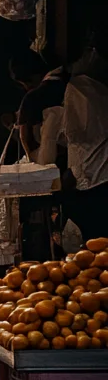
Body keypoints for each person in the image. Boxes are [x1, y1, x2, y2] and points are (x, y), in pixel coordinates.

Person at [62, 40, 108, 239]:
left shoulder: (80, 89)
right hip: (94, 177)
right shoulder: (95, 89)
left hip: (95, 180)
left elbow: (74, 135)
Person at [11, 52, 68, 161]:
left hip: (53, 162)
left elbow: (24, 138)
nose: (26, 87)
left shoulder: (32, 98)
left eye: (24, 83)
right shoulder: (68, 79)